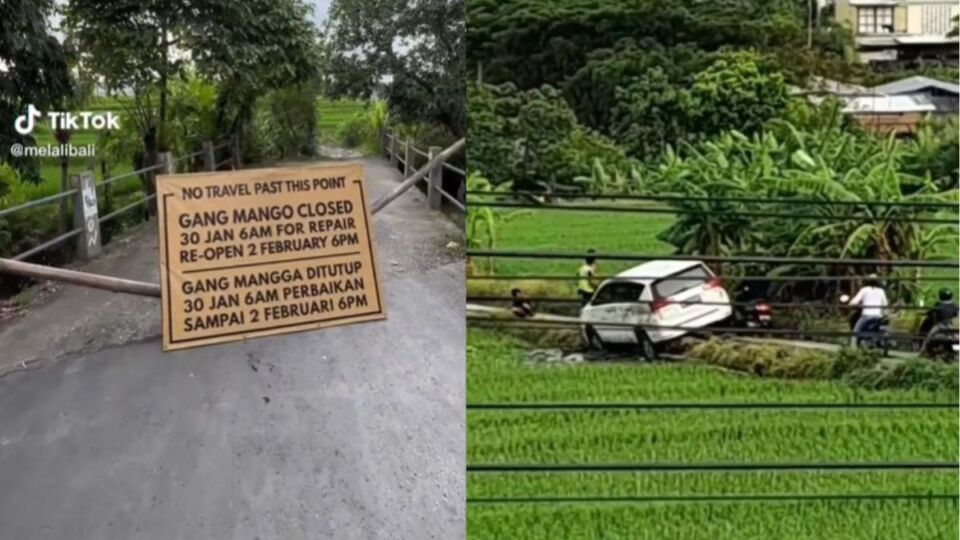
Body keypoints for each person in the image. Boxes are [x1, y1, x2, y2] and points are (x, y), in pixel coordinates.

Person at [847, 274, 888, 347]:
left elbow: (855, 301)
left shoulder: (864, 290)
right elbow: (885, 304)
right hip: (878, 316)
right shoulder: (881, 291)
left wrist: (850, 304)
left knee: (855, 332)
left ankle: (853, 348)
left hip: (866, 316)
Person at [920, 288, 958, 353]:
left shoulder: (938, 305)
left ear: (940, 296)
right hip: (952, 327)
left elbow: (929, 313)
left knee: (929, 337)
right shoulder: (954, 306)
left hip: (940, 326)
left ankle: (922, 351)